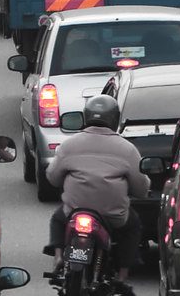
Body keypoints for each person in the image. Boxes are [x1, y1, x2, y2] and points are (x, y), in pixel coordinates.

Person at [44, 96, 148, 283]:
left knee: (58, 218)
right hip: (113, 216)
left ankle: (59, 256)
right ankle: (123, 274)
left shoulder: (69, 145)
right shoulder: (127, 149)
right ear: (115, 119)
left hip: (73, 212)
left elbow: (52, 177)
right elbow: (141, 188)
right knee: (133, 226)